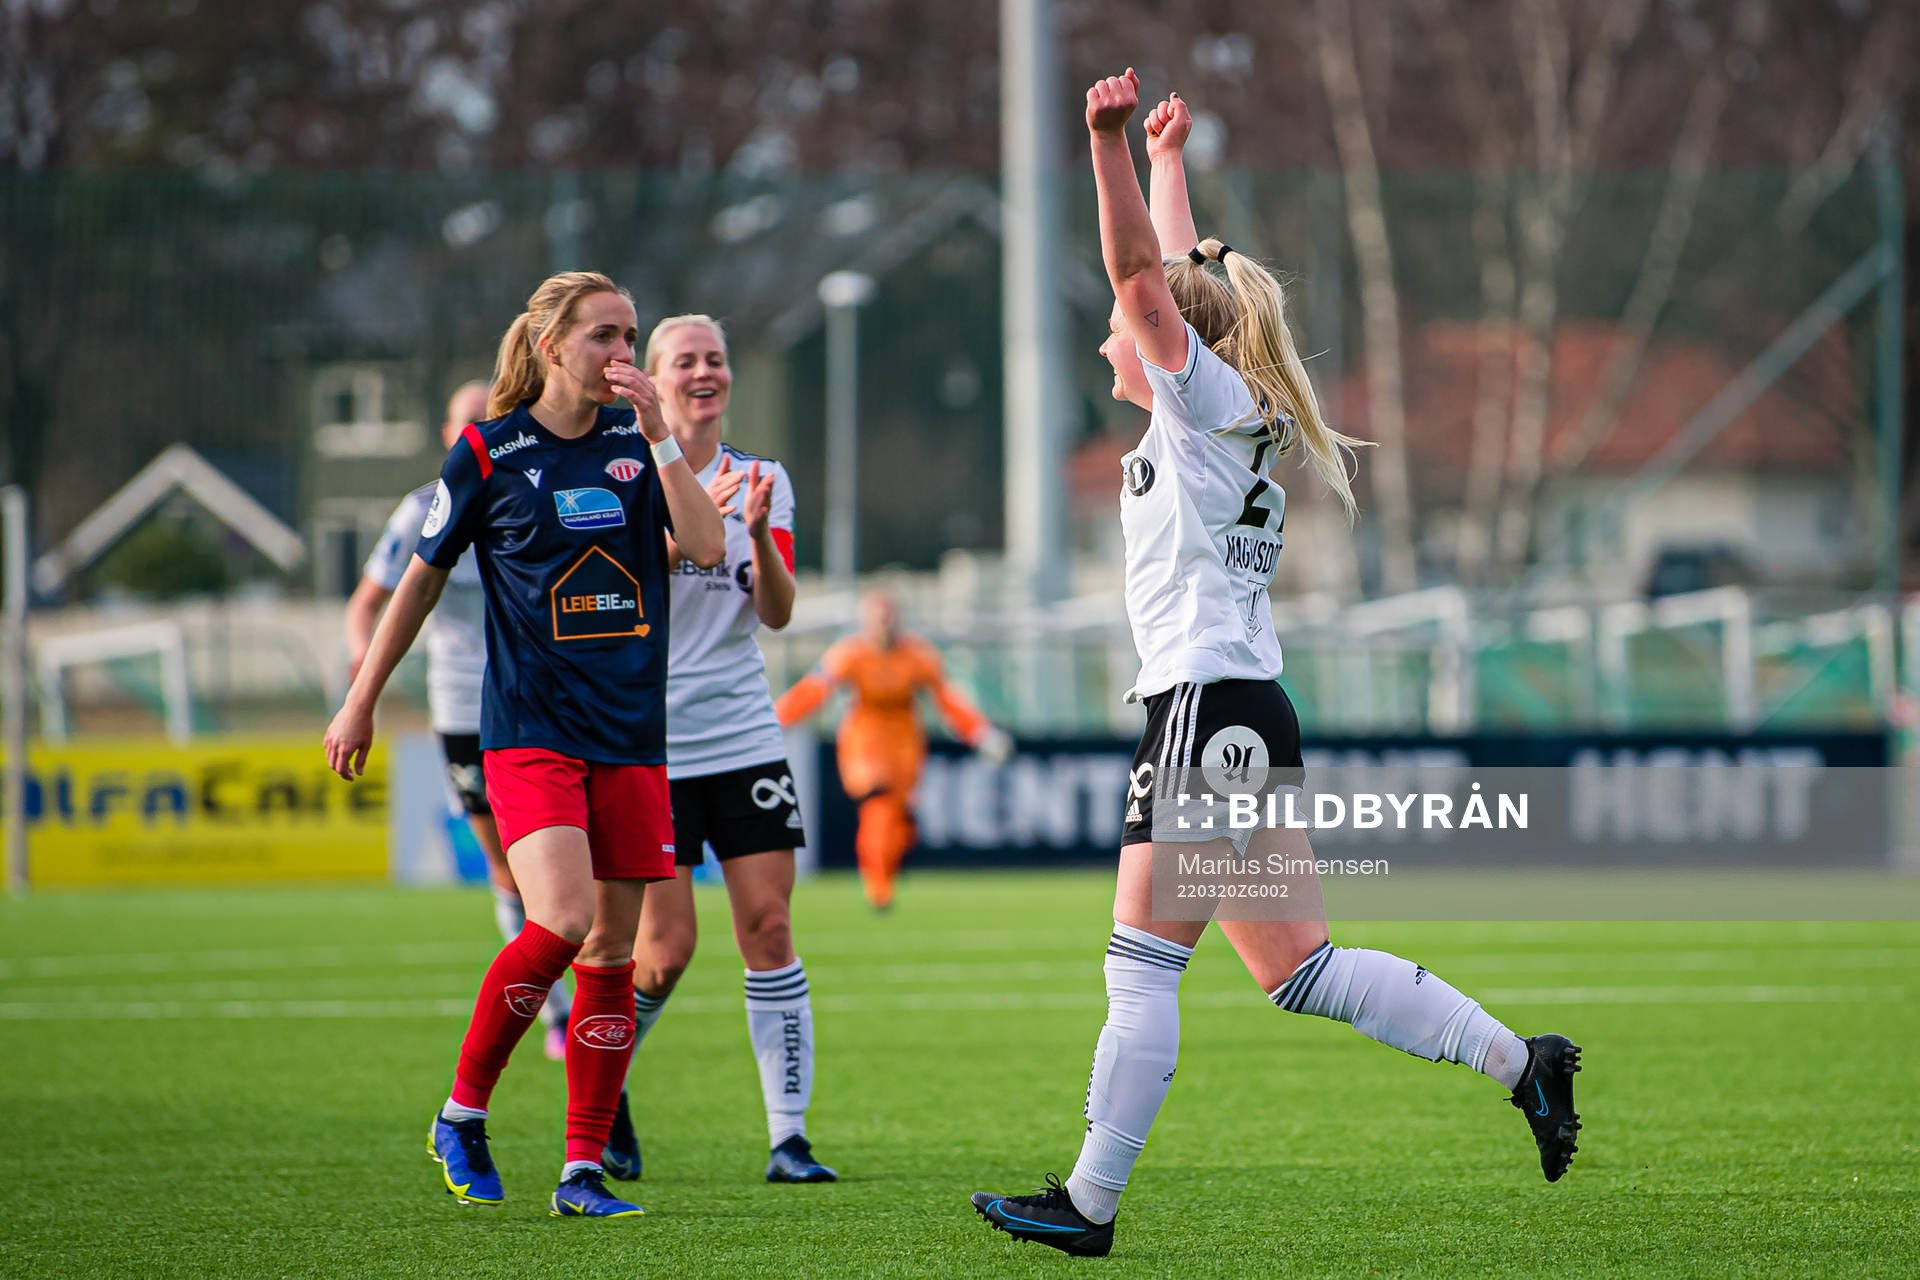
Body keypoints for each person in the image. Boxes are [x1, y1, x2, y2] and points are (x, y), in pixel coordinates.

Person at [969, 75, 1581, 1258]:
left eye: (1122, 324)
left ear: (1170, 341)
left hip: (1206, 707)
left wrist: (1101, 147)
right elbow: (1179, 268)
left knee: (1140, 959)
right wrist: (1167, 156)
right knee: (1299, 967)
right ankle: (1524, 1060)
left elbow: (1147, 279)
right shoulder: (1222, 406)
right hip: (1249, 707)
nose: (1110, 330)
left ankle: (1089, 1201)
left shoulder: (1197, 401)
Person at [324, 270, 728, 1219]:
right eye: (604, 338)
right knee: (558, 919)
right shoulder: (489, 452)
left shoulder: (640, 442)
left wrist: (665, 434)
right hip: (530, 730)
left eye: (631, 338)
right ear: (551, 346)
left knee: (614, 956)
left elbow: (706, 549)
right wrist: (361, 699)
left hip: (631, 734)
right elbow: (416, 585)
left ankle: (581, 1171)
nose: (622, 357)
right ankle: (463, 1112)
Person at [594, 313, 837, 1187]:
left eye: (716, 359)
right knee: (664, 952)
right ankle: (606, 1088)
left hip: (742, 734)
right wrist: (689, 527)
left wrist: (761, 533)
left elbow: (774, 611)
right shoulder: (622, 472)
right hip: (648, 744)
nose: (706, 372)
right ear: (653, 379)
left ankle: (790, 1138)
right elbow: (613, 580)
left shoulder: (762, 476)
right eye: (686, 360)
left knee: (769, 928)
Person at [343, 379, 571, 1062]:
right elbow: (369, 604)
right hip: (461, 703)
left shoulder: (532, 491)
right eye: (469, 419)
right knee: (505, 865)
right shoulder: (421, 510)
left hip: (539, 704)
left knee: (562, 875)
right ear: (449, 435)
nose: (481, 428)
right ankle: (555, 1012)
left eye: (492, 418)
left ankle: (563, 1000)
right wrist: (367, 681)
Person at [774, 589, 1011, 911]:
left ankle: (883, 874)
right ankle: (878, 887)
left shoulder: (917, 656)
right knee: (878, 805)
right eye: (877, 619)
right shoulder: (849, 654)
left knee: (898, 822)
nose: (883, 626)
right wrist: (776, 719)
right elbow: (813, 691)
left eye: (888, 618)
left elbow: (948, 701)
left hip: (904, 746)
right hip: (864, 743)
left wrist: (981, 733)